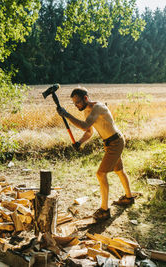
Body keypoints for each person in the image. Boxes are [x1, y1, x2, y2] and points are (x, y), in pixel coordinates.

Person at [56, 87, 135, 221]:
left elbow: (85, 125)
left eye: (78, 103)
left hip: (115, 142)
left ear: (86, 98)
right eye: (74, 104)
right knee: (119, 170)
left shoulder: (98, 107)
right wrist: (80, 142)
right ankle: (129, 197)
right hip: (110, 142)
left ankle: (104, 210)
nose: (76, 106)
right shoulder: (86, 111)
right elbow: (89, 131)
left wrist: (67, 115)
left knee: (100, 174)